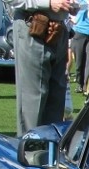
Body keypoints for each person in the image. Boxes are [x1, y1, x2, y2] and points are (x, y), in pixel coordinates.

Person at [9, 0, 77, 135]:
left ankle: (50, 152)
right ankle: (30, 153)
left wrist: (71, 5)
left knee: (56, 102)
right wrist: (48, 3)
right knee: (33, 102)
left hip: (59, 30)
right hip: (33, 27)